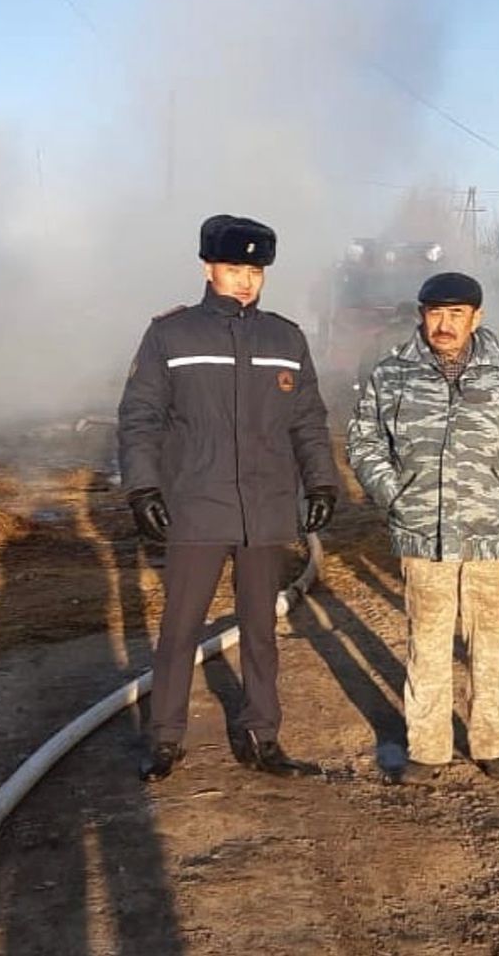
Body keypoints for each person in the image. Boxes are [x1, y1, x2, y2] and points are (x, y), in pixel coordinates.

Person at [118, 214, 339, 781]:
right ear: (207, 268)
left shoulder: (285, 339)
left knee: (261, 629)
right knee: (180, 627)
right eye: (233, 268)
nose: (244, 280)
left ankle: (262, 736)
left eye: (254, 270)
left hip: (265, 508)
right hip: (196, 504)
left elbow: (309, 420)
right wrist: (143, 487)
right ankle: (166, 739)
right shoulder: (171, 336)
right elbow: (139, 418)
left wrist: (321, 480)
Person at [346, 272, 499, 784]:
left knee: (491, 642)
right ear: (421, 315)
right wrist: (393, 493)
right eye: (436, 313)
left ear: (476, 317)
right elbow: (365, 439)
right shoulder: (391, 375)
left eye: (457, 314)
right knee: (427, 642)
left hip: (490, 531)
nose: (445, 324)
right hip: (423, 531)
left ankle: (493, 743)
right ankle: (428, 748)